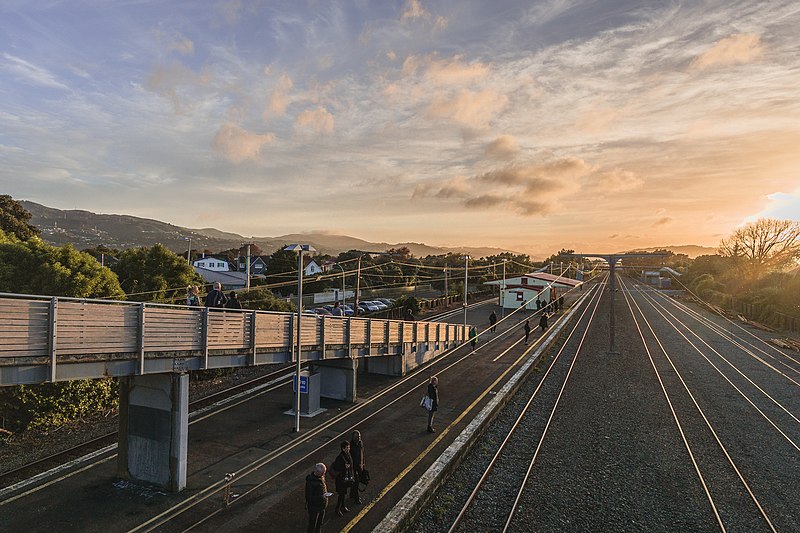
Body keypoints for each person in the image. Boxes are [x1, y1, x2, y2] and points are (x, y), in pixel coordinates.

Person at [330, 441, 353, 517]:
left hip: (345, 479)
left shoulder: (348, 455)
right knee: (341, 495)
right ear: (343, 448)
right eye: (347, 447)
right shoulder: (340, 457)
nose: (348, 449)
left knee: (343, 494)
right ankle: (337, 509)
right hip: (341, 480)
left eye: (349, 447)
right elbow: (337, 468)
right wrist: (344, 467)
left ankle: (342, 506)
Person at [305, 462, 329, 533]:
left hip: (322, 506)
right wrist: (322, 497)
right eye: (323, 473)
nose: (324, 474)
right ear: (317, 472)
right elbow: (309, 497)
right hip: (314, 508)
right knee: (312, 525)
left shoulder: (321, 477)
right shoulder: (310, 482)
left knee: (319, 524)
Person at [349, 430, 365, 505]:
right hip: (354, 468)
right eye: (356, 437)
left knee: (356, 482)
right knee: (356, 483)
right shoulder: (350, 446)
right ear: (353, 437)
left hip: (359, 466)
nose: (358, 438)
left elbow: (362, 453)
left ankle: (352, 494)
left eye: (359, 437)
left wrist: (363, 463)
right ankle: (356, 498)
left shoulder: (360, 443)